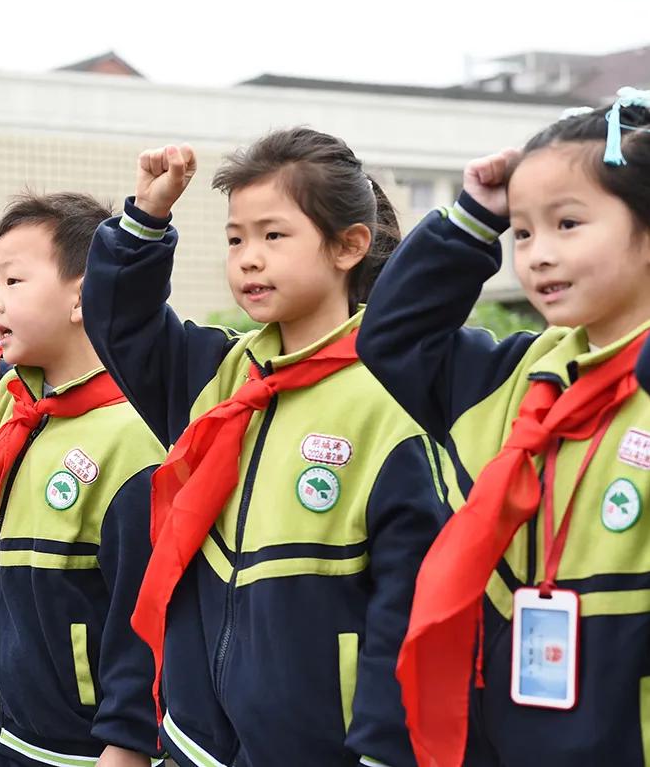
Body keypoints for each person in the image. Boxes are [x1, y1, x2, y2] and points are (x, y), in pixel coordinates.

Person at [82, 129, 448, 766]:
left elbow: (409, 604)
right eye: (235, 238)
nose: (249, 258)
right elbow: (120, 321)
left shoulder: (392, 393)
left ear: (348, 246)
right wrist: (146, 218)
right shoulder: (220, 375)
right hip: (199, 746)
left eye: (273, 236)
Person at [357, 89, 650, 766]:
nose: (537, 254)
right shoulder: (516, 378)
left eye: (567, 223)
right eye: (521, 231)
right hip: (496, 730)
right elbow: (394, 336)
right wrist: (469, 221)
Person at [0, 193, 166, 767]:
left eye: (14, 282)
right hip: (0, 731)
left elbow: (142, 610)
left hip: (82, 750)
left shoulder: (130, 433)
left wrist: (128, 740)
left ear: (82, 296)